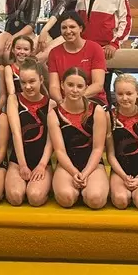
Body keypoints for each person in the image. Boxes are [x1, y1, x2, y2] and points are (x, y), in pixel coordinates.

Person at [48, 67, 109, 209]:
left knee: (96, 199)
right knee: (66, 198)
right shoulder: (54, 114)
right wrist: (74, 172)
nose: (74, 90)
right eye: (70, 85)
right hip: (66, 165)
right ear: (62, 85)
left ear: (86, 88)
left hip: (93, 164)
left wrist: (85, 173)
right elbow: (60, 150)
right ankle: (77, 190)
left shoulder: (97, 111)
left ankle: (88, 189)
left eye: (79, 86)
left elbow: (98, 148)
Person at [77, 0, 132, 102]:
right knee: (82, 87)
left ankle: (105, 114)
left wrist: (115, 43)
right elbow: (77, 21)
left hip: (104, 49)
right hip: (84, 47)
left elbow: (126, 19)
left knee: (101, 89)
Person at [5, 59, 54, 207]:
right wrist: (22, 165)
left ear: (41, 79)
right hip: (18, 160)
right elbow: (16, 133)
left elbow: (50, 141)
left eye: (32, 81)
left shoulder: (50, 104)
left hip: (42, 161)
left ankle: (45, 187)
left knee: (35, 197)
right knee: (15, 197)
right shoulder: (14, 99)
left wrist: (42, 165)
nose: (27, 86)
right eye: (23, 82)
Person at [106, 74, 138, 211]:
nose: (124, 98)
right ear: (115, 94)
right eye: (120, 94)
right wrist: (123, 176)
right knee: (120, 201)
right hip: (120, 171)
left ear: (137, 93)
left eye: (129, 93)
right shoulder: (109, 116)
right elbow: (110, 154)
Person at [48, 11, 107, 106]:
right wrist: (61, 102)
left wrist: (76, 98)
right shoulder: (54, 53)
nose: (68, 31)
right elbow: (54, 86)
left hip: (92, 100)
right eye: (64, 28)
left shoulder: (95, 48)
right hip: (64, 102)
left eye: (72, 27)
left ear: (80, 28)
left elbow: (98, 84)